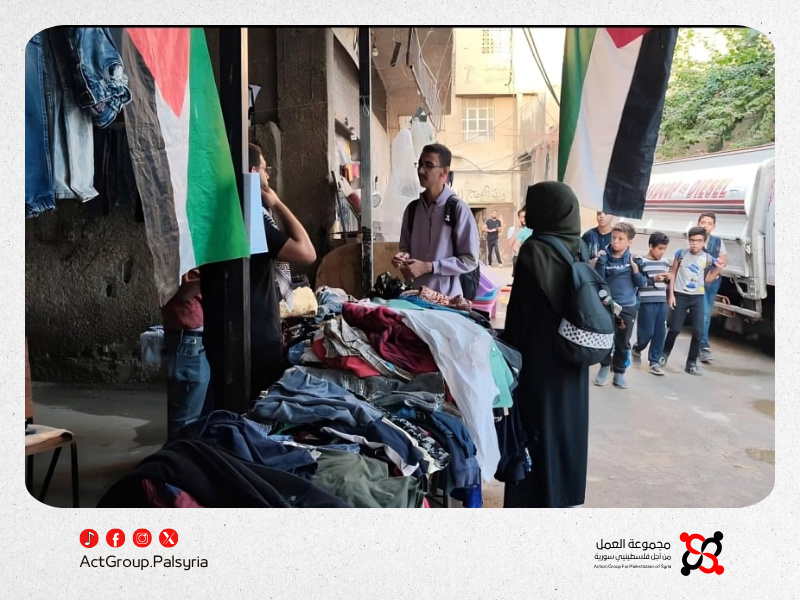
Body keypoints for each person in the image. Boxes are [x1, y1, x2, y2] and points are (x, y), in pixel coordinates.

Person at [501, 181, 589, 508]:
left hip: (539, 360)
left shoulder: (535, 249)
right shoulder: (579, 246)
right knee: (568, 427)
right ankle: (564, 493)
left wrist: (508, 354)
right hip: (572, 353)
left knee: (536, 427)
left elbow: (520, 314)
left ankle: (533, 499)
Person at [248, 144, 316, 394]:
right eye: (264, 170)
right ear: (252, 172)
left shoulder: (246, 212)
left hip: (254, 325)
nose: (268, 177)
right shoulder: (254, 218)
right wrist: (278, 205)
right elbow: (307, 252)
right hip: (257, 331)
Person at [393, 143, 479, 296]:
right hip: (415, 298)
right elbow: (406, 249)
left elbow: (470, 260)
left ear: (444, 172)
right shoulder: (412, 209)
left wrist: (430, 267)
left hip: (446, 300)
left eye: (428, 165)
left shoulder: (458, 209)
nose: (421, 170)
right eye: (420, 164)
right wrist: (403, 257)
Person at [661, 227, 723, 376]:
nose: (695, 244)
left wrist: (717, 270)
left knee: (698, 332)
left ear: (704, 242)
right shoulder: (681, 254)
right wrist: (671, 295)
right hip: (680, 295)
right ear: (688, 241)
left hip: (697, 297)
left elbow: (707, 280)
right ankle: (664, 354)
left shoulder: (708, 258)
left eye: (699, 241)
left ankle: (691, 363)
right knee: (675, 329)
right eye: (692, 240)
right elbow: (673, 274)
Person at [593, 222, 647, 389]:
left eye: (620, 239)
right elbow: (599, 283)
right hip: (607, 305)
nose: (615, 241)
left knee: (623, 342)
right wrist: (600, 263)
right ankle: (604, 367)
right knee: (605, 338)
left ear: (629, 241)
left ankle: (619, 373)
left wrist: (636, 270)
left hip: (628, 307)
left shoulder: (635, 260)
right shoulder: (604, 257)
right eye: (613, 237)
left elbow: (642, 283)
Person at [161, 268, 210, 441]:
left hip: (191, 341)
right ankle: (177, 454)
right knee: (185, 419)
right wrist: (215, 275)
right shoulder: (182, 259)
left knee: (189, 414)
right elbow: (184, 292)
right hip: (187, 342)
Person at [631, 232, 671, 376]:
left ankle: (654, 362)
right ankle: (637, 348)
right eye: (659, 248)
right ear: (650, 246)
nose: (662, 252)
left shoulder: (665, 262)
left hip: (661, 301)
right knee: (647, 332)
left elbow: (667, 281)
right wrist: (655, 278)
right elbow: (639, 282)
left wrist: (667, 279)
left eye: (664, 249)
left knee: (660, 333)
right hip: (646, 302)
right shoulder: (641, 262)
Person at [697, 212, 728, 363]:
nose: (705, 226)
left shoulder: (717, 241)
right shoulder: (695, 239)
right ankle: (703, 346)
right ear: (698, 224)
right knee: (704, 313)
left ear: (713, 227)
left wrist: (720, 264)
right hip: (698, 281)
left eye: (709, 223)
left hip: (714, 281)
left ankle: (699, 342)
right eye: (703, 222)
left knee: (707, 313)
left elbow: (723, 259)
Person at [509, 208, 532, 277]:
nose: (523, 219)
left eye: (525, 217)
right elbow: (512, 245)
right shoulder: (516, 230)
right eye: (521, 217)